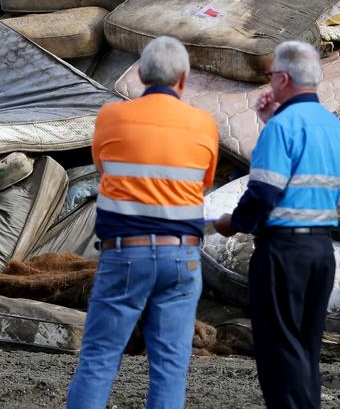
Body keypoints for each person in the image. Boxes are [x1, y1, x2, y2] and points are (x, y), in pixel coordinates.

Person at [67, 35, 219, 409]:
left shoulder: (110, 116)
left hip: (125, 256)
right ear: (183, 79)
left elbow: (104, 168)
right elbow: (203, 183)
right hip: (181, 258)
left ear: (139, 74)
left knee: (100, 358)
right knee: (169, 366)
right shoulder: (204, 125)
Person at [214, 41, 340, 409]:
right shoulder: (333, 126)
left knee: (279, 355)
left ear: (284, 78)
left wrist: (233, 223)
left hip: (283, 253)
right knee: (304, 351)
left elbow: (264, 193)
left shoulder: (282, 128)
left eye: (272, 75)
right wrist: (274, 120)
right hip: (321, 251)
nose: (270, 82)